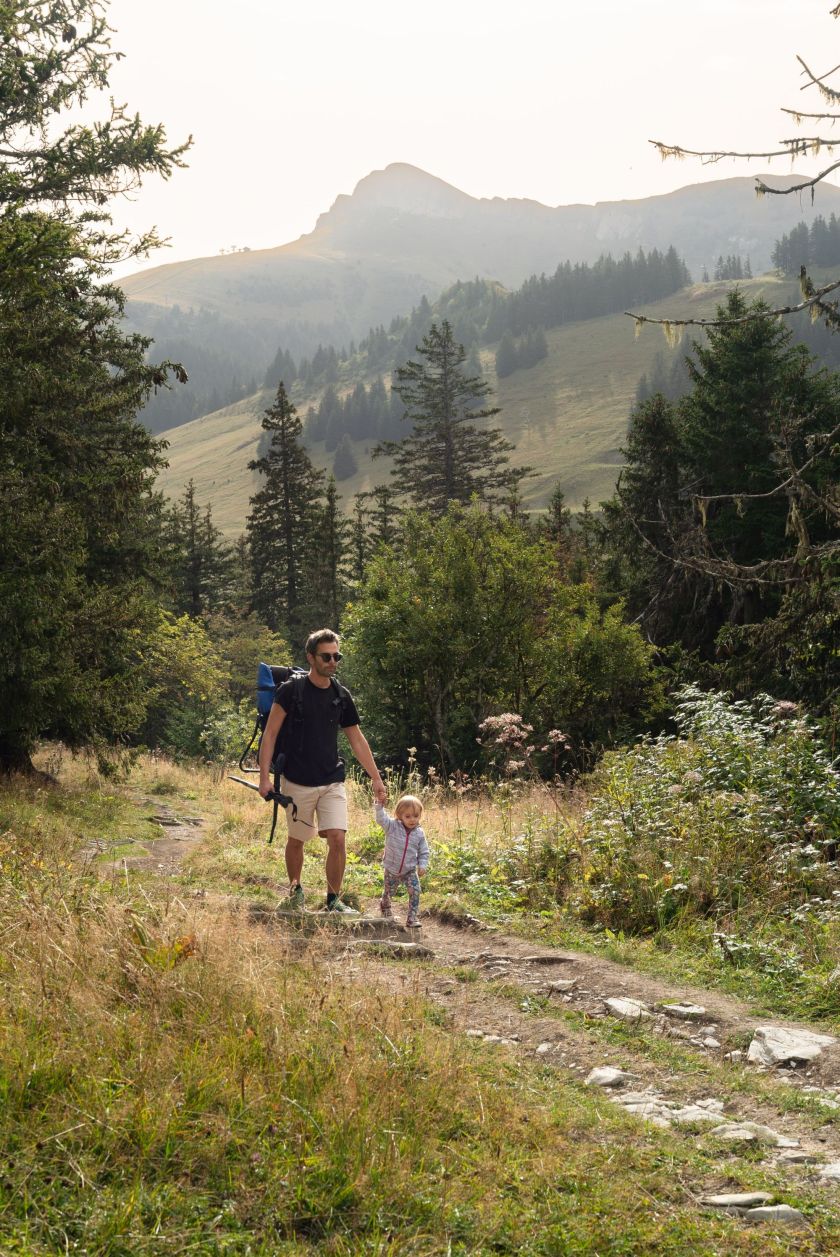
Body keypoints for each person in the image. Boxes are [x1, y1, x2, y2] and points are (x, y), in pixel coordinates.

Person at [259, 628, 387, 912]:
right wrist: (265, 778)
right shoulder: (291, 692)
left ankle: (333, 900)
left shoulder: (341, 695)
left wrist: (376, 778)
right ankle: (295, 890)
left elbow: (357, 739)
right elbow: (270, 734)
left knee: (338, 837)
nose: (332, 661)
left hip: (332, 779)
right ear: (311, 657)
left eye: (336, 656)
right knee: (297, 840)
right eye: (326, 656)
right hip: (297, 780)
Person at [375, 793, 430, 928]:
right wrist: (379, 806)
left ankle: (412, 918)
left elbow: (424, 851)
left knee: (415, 891)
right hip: (391, 869)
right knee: (389, 891)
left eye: (416, 816)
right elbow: (381, 819)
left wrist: (422, 865)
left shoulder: (419, 833)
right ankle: (385, 905)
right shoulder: (392, 826)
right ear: (400, 816)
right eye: (408, 816)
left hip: (409, 870)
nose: (412, 820)